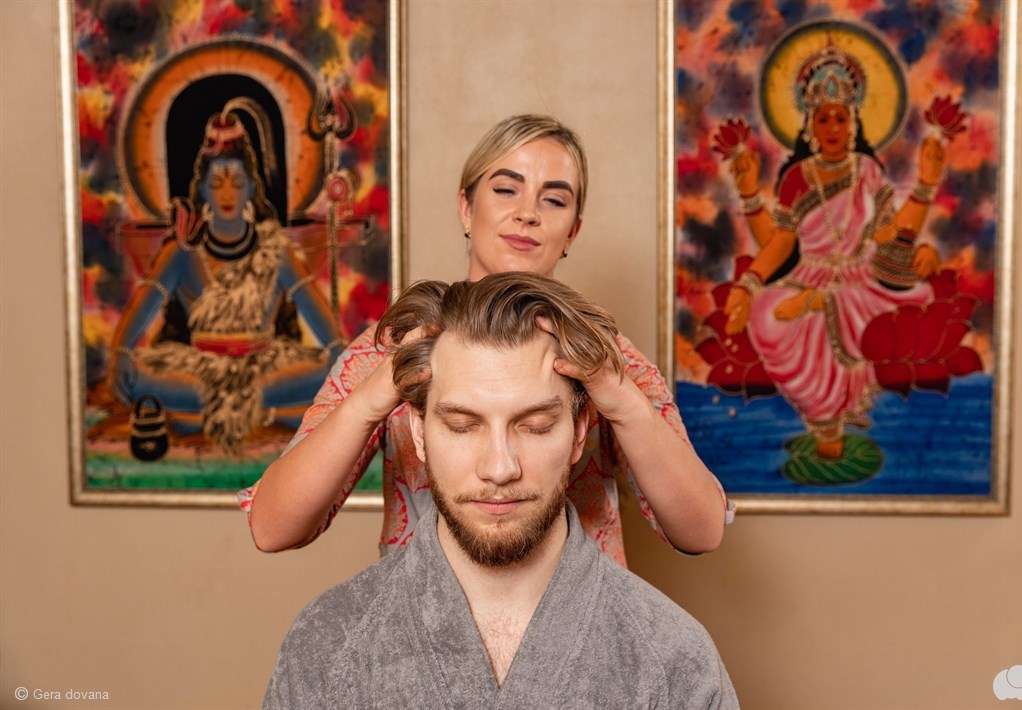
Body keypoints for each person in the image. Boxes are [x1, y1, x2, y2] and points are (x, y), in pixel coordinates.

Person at [244, 114, 732, 564]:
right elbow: (272, 529)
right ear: (466, 207)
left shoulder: (609, 359)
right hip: (421, 621)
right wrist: (371, 399)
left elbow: (701, 532)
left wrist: (621, 401)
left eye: (554, 199)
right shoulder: (391, 349)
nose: (528, 213)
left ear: (572, 231)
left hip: (579, 624)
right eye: (506, 190)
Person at [263, 273, 739, 709]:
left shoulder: (676, 661)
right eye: (462, 425)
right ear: (420, 432)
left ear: (579, 433)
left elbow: (700, 528)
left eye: (535, 426)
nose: (499, 468)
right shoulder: (324, 647)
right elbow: (273, 525)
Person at [723, 44, 946, 460]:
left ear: (853, 121)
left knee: (920, 297)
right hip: (808, 275)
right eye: (823, 118)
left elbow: (888, 233)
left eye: (840, 118)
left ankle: (833, 420)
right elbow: (781, 242)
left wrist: (926, 188)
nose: (832, 127)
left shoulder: (868, 172)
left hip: (860, 277)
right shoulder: (796, 177)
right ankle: (826, 428)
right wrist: (748, 284)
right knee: (767, 316)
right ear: (810, 124)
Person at [107, 103, 344, 456]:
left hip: (265, 369)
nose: (228, 194)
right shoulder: (182, 252)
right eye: (217, 184)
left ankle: (203, 417)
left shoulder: (275, 249)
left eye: (237, 183)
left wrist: (339, 351)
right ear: (202, 190)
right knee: (137, 375)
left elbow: (315, 310)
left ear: (251, 188)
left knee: (329, 371)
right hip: (198, 370)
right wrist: (121, 352)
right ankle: (266, 414)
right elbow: (143, 305)